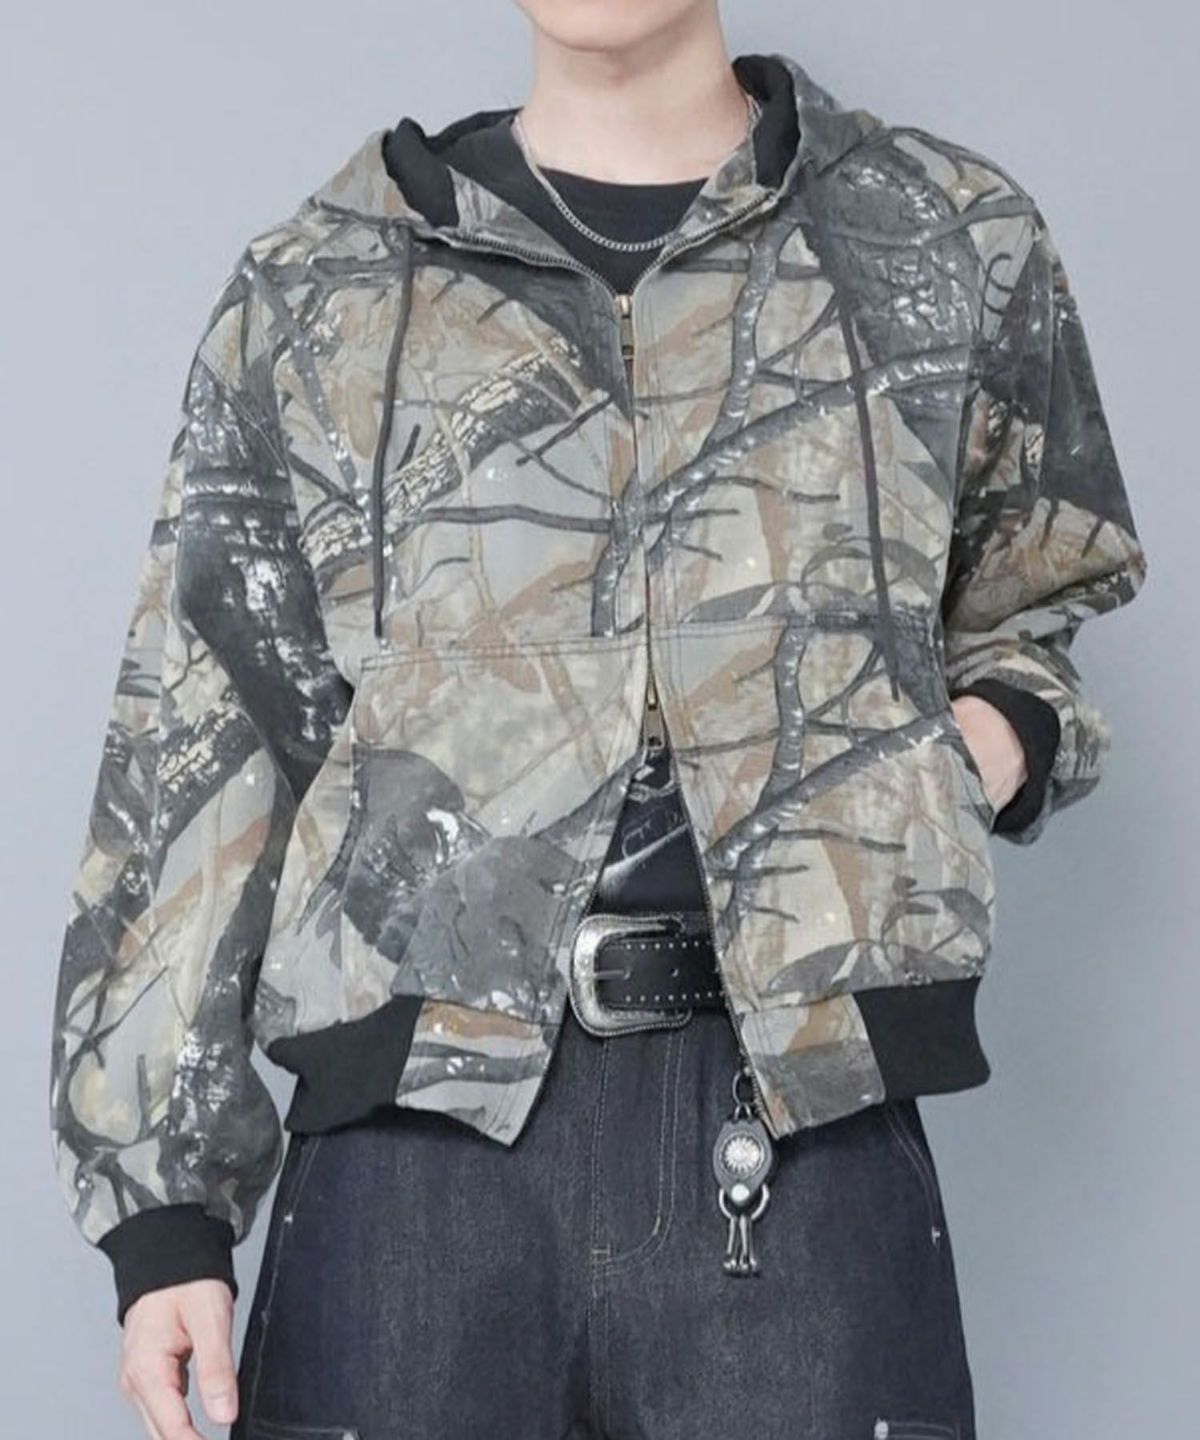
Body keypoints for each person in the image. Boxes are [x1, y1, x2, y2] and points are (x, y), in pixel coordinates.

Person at [48, 2, 1149, 1437]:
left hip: (803, 1130)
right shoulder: (324, 286)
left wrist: (995, 740)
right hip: (413, 1162)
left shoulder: (939, 239)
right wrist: (164, 1213)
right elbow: (205, 736)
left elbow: (1036, 591)